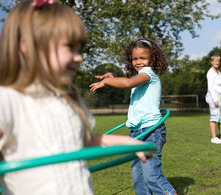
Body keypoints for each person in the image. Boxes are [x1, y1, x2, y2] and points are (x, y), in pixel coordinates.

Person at [0, 1, 150, 194]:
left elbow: (79, 141)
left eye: (80, 49)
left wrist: (129, 142)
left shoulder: (67, 100)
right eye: (70, 47)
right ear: (28, 46)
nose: (79, 57)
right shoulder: (9, 100)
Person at [90, 38, 177, 195]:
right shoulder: (139, 76)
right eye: (135, 58)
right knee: (139, 178)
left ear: (152, 58)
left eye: (143, 58)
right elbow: (127, 81)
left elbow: (127, 83)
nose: (138, 62)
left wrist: (109, 81)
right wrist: (113, 78)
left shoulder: (149, 74)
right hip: (137, 131)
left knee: (151, 176)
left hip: (151, 130)